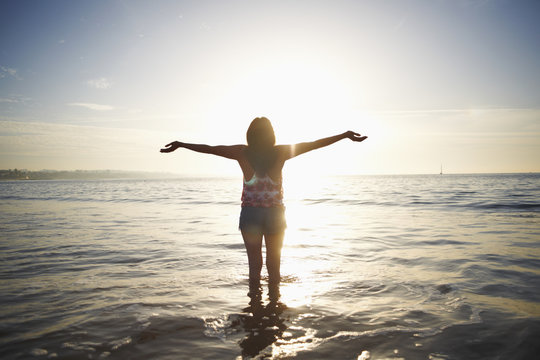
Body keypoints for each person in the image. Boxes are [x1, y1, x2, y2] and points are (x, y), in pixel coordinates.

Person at [160, 117, 367, 294]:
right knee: (274, 266)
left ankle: (254, 306)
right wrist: (344, 135)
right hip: (275, 215)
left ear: (250, 134)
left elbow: (210, 149)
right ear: (271, 134)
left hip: (250, 214)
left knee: (254, 266)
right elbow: (314, 144)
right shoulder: (281, 152)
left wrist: (181, 144)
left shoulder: (241, 152)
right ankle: (273, 307)